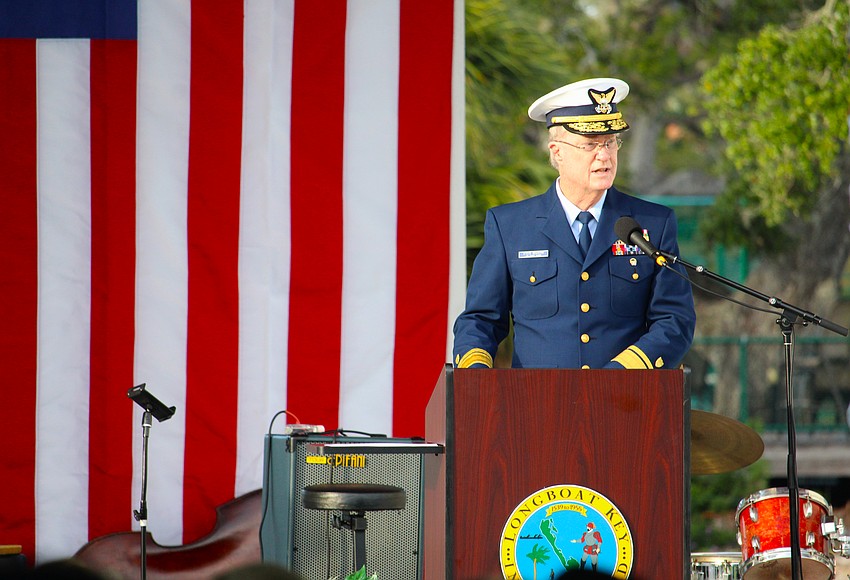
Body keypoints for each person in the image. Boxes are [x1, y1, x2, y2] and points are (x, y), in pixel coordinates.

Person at [453, 77, 695, 370]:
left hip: (626, 403)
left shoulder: (653, 224)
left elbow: (674, 319)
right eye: (590, 144)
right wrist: (476, 378)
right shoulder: (510, 226)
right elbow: (480, 320)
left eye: (610, 142)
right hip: (536, 406)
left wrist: (619, 375)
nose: (604, 155)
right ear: (557, 152)